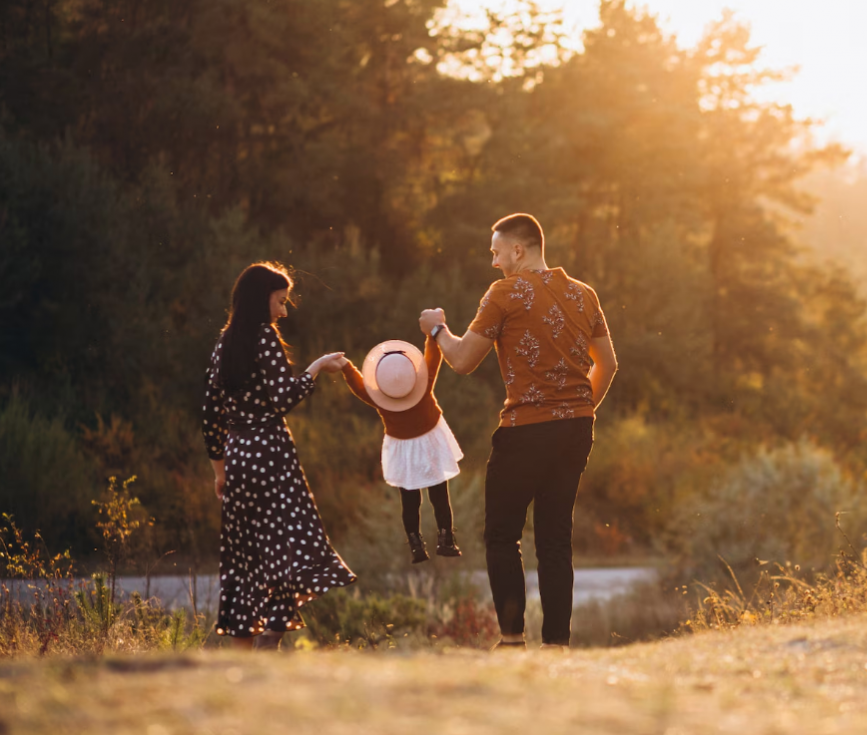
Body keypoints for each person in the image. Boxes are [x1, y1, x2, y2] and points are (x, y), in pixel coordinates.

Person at [418, 213, 618, 649]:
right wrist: (578, 410)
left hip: (525, 430)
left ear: (518, 250)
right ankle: (557, 646)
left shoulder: (505, 292)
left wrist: (436, 328)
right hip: (576, 430)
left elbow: (463, 360)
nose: (493, 262)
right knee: (554, 538)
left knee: (501, 535)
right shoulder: (584, 294)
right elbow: (610, 363)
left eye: (496, 252)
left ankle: (511, 640)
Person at [202, 262, 356, 650]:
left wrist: (220, 471)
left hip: (238, 457)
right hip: (271, 454)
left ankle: (243, 652)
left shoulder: (224, 342)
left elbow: (210, 413)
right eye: (280, 302)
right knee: (290, 544)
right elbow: (285, 396)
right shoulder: (263, 336)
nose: (283, 312)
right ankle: (270, 638)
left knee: (245, 555)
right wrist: (319, 366)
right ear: (261, 299)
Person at [340, 336, 464, 563]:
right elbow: (433, 359)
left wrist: (347, 368)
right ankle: (446, 540)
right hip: (430, 443)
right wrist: (431, 336)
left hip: (402, 447)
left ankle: (416, 544)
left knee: (410, 501)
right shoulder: (423, 384)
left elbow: (359, 387)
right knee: (439, 495)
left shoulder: (381, 398)